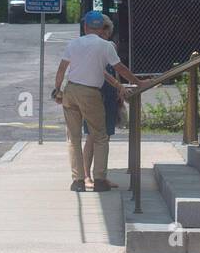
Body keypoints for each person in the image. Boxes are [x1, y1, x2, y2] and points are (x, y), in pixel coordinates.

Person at [52, 11, 139, 192]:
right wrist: (138, 81)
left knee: (73, 138)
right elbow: (119, 68)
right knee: (99, 136)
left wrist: (57, 90)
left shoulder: (74, 44)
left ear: (85, 27)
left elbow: (62, 69)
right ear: (101, 29)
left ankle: (78, 181)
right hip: (90, 93)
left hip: (71, 90)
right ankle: (99, 179)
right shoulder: (105, 46)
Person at [83, 17, 123, 171]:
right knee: (92, 136)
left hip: (108, 92)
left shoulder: (109, 46)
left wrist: (118, 89)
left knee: (105, 136)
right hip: (96, 91)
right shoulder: (89, 46)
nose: (103, 31)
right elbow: (103, 71)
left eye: (106, 28)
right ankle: (87, 173)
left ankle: (100, 173)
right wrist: (118, 85)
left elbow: (116, 67)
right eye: (101, 27)